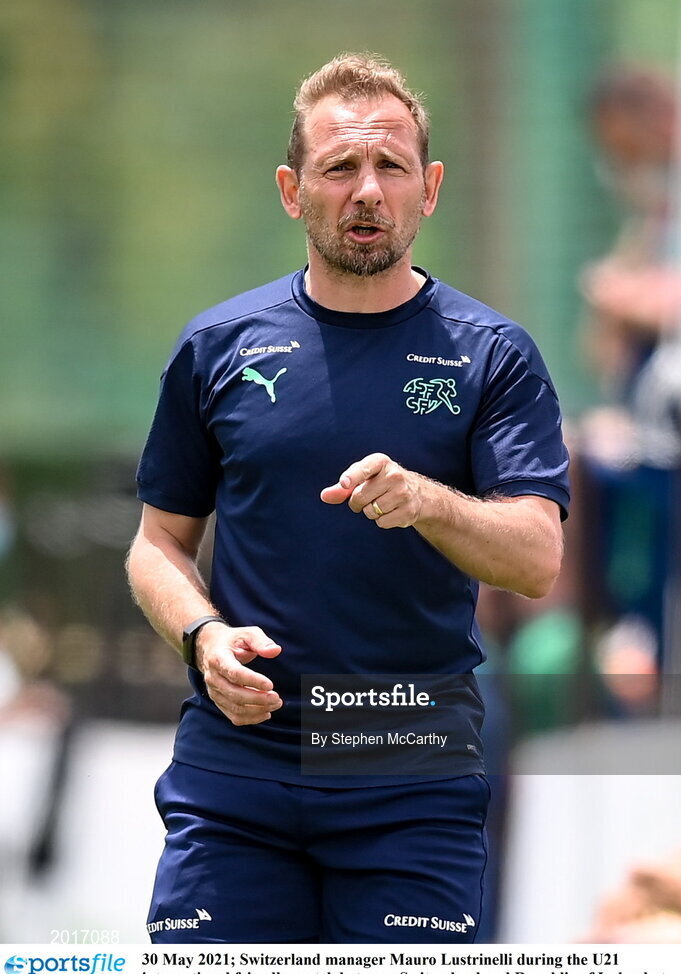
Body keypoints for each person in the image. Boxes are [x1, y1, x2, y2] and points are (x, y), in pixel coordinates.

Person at [126, 52, 569, 944]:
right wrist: (203, 636)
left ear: (428, 187)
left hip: (410, 766)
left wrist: (428, 502)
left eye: (390, 167)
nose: (366, 191)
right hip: (238, 766)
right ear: (293, 190)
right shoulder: (218, 347)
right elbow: (155, 546)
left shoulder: (494, 356)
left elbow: (535, 560)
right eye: (339, 168)